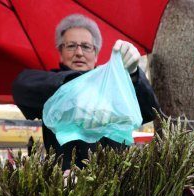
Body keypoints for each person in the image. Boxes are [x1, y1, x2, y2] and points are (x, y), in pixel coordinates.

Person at [12, 14, 159, 170]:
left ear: (96, 54)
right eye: (71, 46)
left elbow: (149, 110)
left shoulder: (115, 84)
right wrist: (76, 87)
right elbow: (21, 87)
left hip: (116, 179)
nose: (79, 52)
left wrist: (133, 74)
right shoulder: (51, 83)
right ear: (60, 53)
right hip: (64, 182)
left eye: (86, 46)